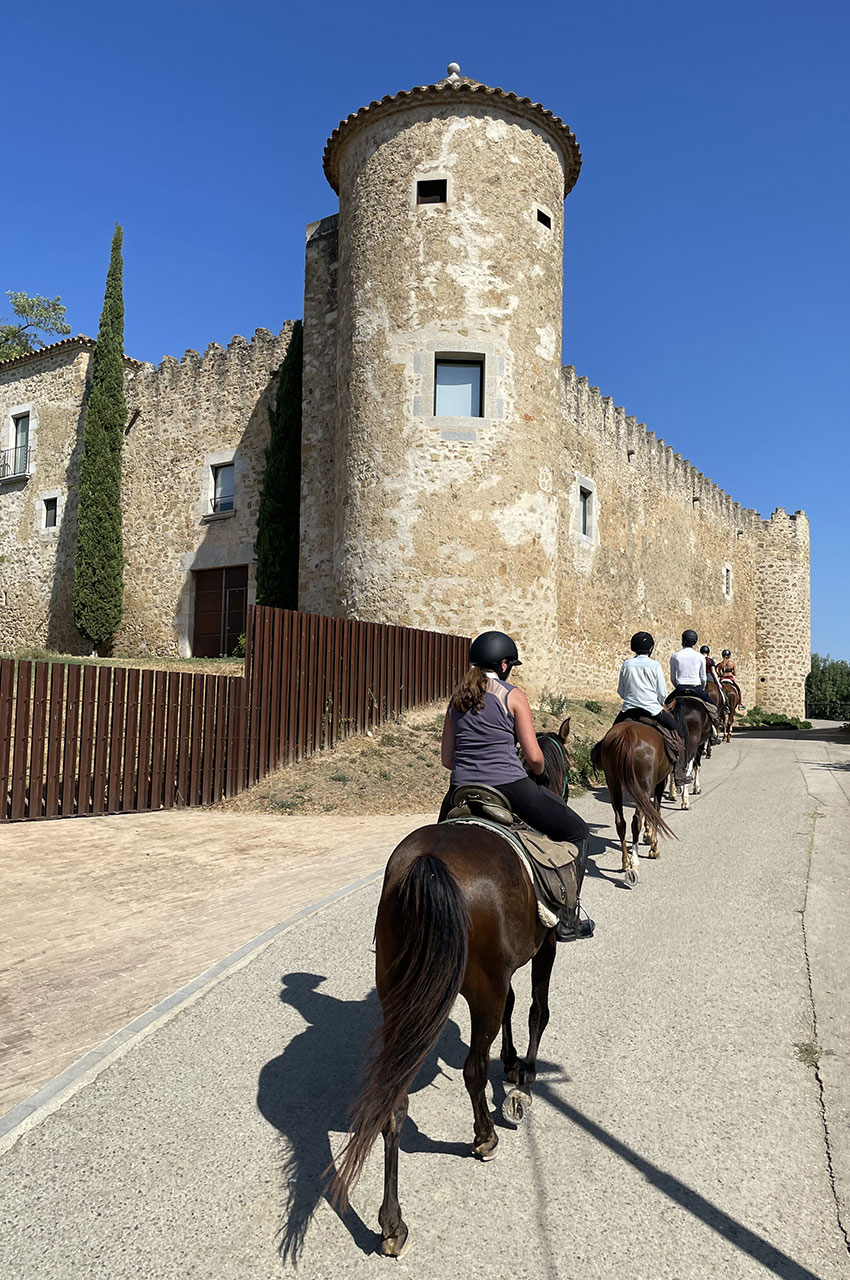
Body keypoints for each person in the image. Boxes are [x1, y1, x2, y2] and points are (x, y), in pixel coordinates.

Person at [439, 630, 593, 942]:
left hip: (460, 789)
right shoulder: (512, 695)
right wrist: (531, 767)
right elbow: (535, 758)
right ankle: (567, 916)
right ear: (505, 664)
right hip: (508, 785)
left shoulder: (456, 699)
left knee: (436, 852)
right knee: (578, 831)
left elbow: (446, 759)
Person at [669, 630, 716, 709]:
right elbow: (703, 678)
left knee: (666, 705)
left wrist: (678, 687)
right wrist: (702, 688)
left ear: (683, 640)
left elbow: (673, 678)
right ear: (695, 642)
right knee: (713, 708)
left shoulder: (675, 656)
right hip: (696, 688)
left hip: (680, 688)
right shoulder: (700, 657)